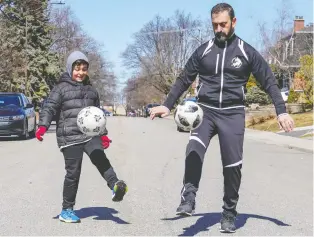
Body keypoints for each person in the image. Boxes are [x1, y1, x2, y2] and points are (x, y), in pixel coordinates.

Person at [149, 3, 294, 233]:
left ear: (233, 22)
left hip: (233, 113)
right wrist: (167, 105)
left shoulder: (247, 51)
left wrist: (281, 110)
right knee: (194, 149)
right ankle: (189, 196)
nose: (219, 29)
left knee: (232, 167)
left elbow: (269, 81)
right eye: (215, 25)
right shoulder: (203, 50)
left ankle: (228, 213)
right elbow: (184, 78)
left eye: (223, 24)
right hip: (205, 111)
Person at [36, 51, 128, 223]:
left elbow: (97, 116)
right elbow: (49, 108)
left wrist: (103, 135)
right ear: (70, 68)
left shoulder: (92, 91)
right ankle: (67, 209)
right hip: (70, 136)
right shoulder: (60, 88)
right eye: (77, 69)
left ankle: (115, 186)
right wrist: (42, 126)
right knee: (73, 173)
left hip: (89, 135)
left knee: (101, 158)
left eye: (84, 69)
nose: (80, 72)